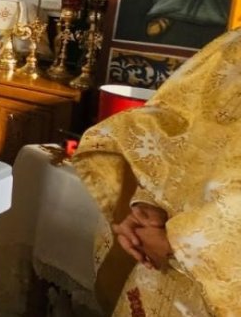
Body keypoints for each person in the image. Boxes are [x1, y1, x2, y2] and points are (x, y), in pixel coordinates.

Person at [72, 27, 241, 317]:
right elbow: (175, 126)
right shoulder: (233, 46)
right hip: (160, 253)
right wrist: (145, 205)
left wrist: (180, 241)